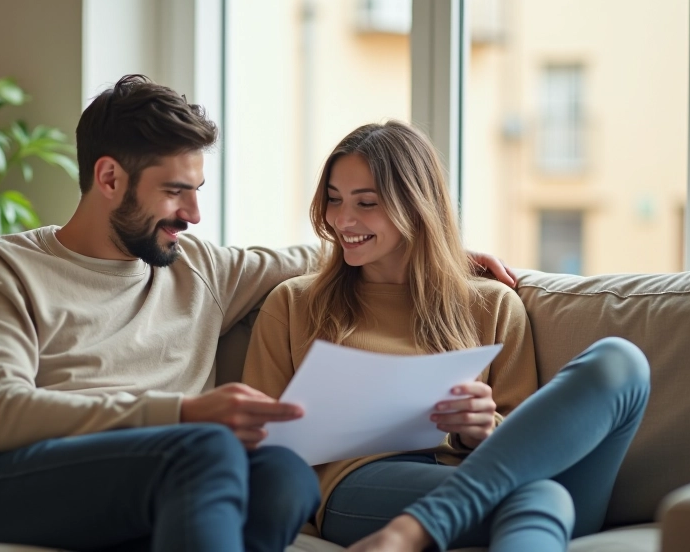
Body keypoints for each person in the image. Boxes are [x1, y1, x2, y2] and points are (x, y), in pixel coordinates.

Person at [0, 74, 516, 552]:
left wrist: (430, 246)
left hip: (155, 478)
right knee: (208, 445)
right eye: (176, 191)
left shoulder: (200, 267)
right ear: (109, 177)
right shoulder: (1, 267)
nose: (195, 213)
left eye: (199, 189)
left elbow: (336, 247)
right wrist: (183, 411)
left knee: (283, 475)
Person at [242, 120, 651, 552]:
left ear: (416, 207)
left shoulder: (492, 304)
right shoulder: (295, 303)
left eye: (366, 203)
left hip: (504, 482)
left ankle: (413, 532)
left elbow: (528, 443)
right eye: (333, 199)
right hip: (360, 486)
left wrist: (481, 429)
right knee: (540, 497)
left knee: (620, 363)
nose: (343, 219)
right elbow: (257, 440)